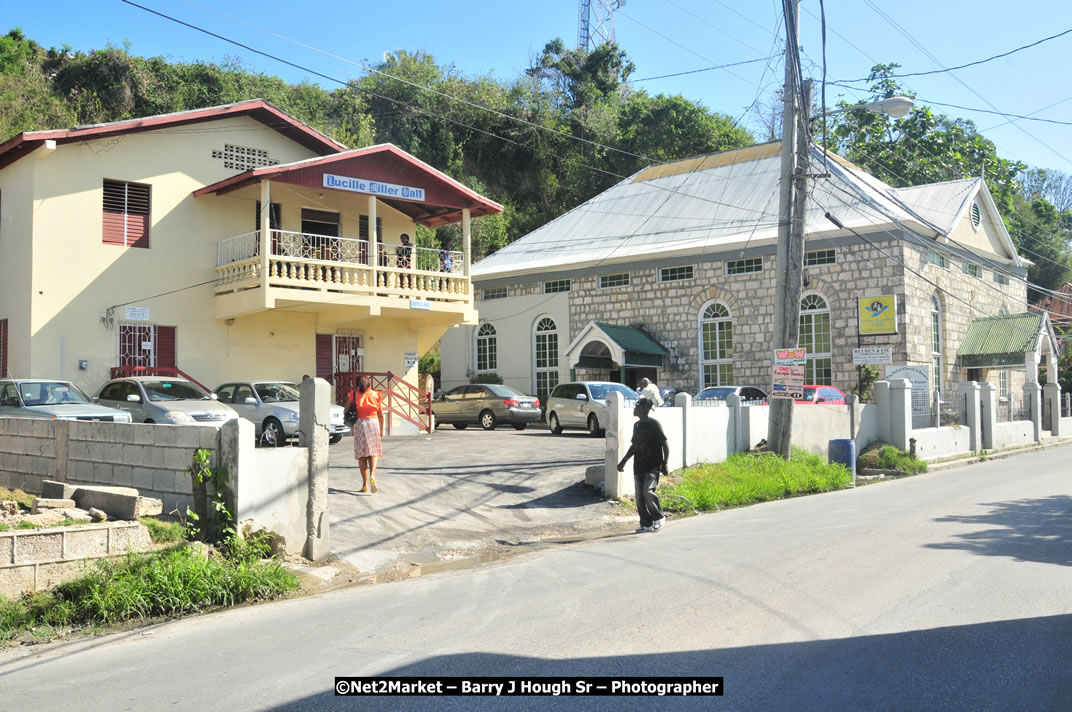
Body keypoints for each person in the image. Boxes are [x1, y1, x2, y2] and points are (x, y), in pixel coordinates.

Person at [617, 398, 669, 533]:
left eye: (637, 407)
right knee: (640, 497)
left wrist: (665, 463)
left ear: (645, 409)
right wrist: (624, 461)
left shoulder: (654, 424)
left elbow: (665, 444)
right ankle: (646, 523)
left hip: (653, 465)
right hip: (639, 466)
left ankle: (659, 516)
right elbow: (634, 445)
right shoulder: (637, 425)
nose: (635, 409)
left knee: (647, 491)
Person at [348, 375, 385, 493]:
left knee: (362, 456)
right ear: (368, 383)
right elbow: (381, 414)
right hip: (374, 423)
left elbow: (346, 410)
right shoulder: (376, 395)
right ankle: (372, 476)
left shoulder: (353, 394)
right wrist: (382, 429)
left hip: (360, 424)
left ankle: (365, 485)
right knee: (373, 453)